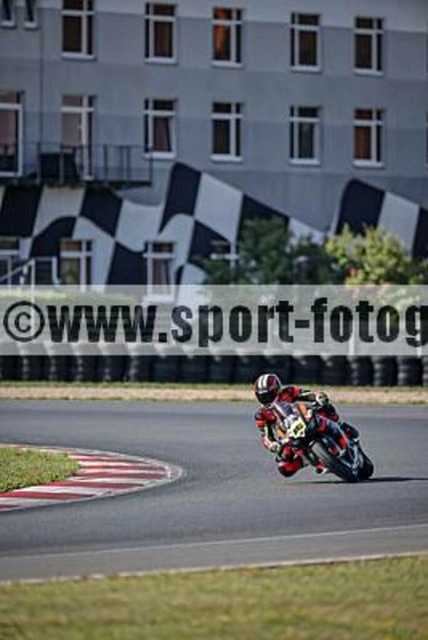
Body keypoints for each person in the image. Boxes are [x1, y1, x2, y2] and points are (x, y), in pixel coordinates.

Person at [254, 372, 359, 478]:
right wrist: (273, 445)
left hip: (304, 418)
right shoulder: (261, 415)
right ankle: (307, 459)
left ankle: (339, 425)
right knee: (284, 467)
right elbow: (266, 436)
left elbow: (306, 394)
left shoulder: (288, 392)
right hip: (289, 435)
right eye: (262, 396)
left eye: (268, 394)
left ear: (277, 389)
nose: (266, 399)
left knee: (325, 407)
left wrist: (317, 397)